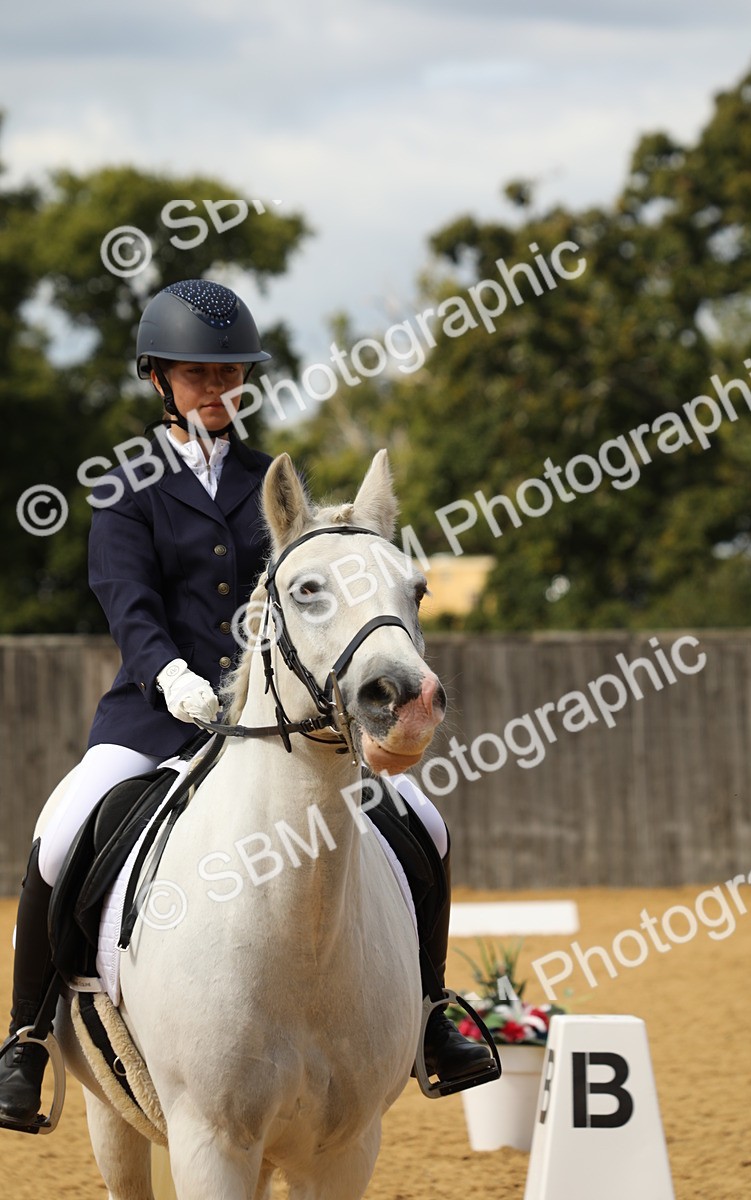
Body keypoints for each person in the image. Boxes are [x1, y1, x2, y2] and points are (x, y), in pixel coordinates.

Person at [0, 279, 490, 1131]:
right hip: (157, 713)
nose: (216, 391)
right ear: (158, 379)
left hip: (282, 719)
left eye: (230, 374)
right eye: (197, 376)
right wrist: (169, 675)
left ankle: (435, 1012)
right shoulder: (126, 486)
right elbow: (129, 604)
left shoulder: (277, 483)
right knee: (65, 828)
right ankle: (28, 1038)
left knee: (426, 822)